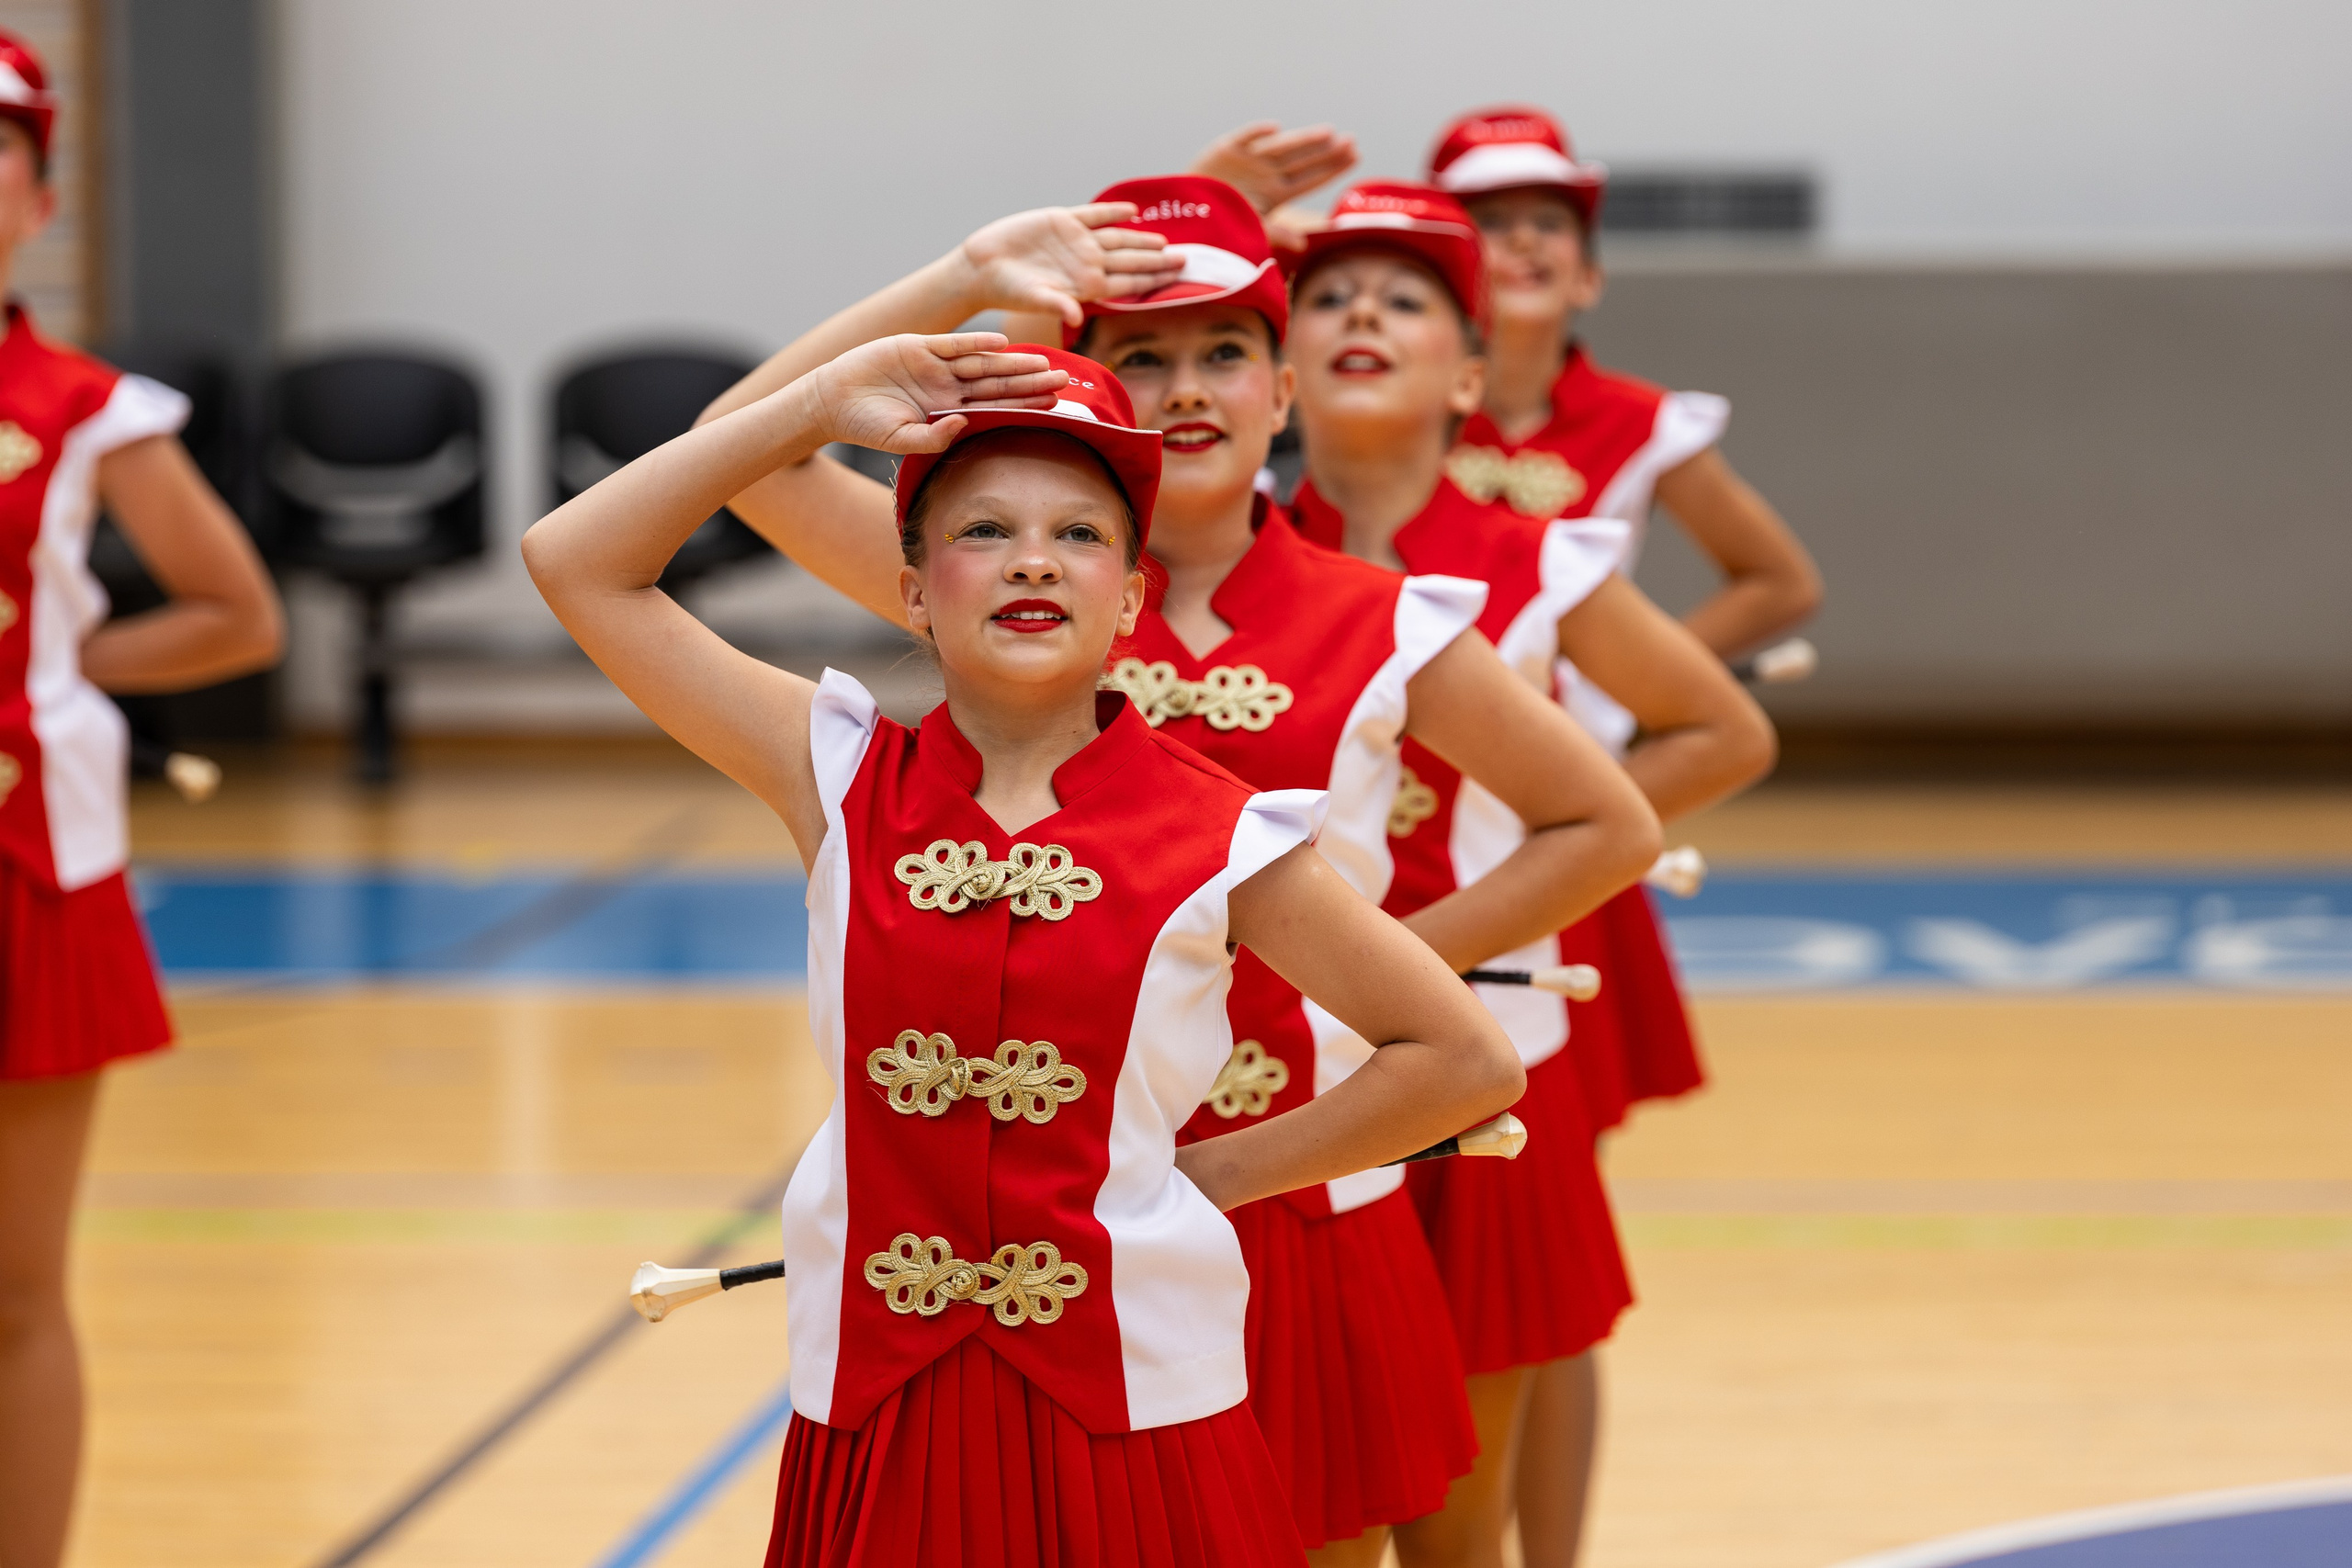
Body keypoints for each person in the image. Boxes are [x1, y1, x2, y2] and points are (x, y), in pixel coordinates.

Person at [694, 182, 1661, 1567]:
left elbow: (1603, 824)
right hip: (1040, 1234)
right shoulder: (1017, 578)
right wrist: (960, 283)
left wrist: (1360, 974)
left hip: (1298, 1198)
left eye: (1221, 355)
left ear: (1284, 394)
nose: (1184, 391)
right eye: (1140, 356)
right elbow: (741, 454)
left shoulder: (1383, 619)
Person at [524, 327, 1538, 1566]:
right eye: (982, 531)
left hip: (1138, 1406)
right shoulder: (837, 776)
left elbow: (1461, 1057)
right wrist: (819, 407)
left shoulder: (1223, 832)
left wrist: (1207, 1182)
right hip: (881, 1399)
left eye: (1079, 535)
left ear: (1129, 601)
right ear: (911, 591)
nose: (1031, 563)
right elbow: (574, 559)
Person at [1281, 179, 1777, 1568]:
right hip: (1281, 1071)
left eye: (1407, 297)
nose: (1364, 312)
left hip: (1493, 1053)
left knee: (1455, 1530)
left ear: (1473, 366)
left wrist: (1480, 904)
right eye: (1326, 294)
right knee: (1305, 1505)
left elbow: (1723, 731)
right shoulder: (1224, 565)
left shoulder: (1539, 560)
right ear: (1276, 365)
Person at [0, 30, 285, 1568]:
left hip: (28, 874)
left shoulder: (97, 412)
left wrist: (65, 653)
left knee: (15, 1292)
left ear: (41, 193)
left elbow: (238, 615)